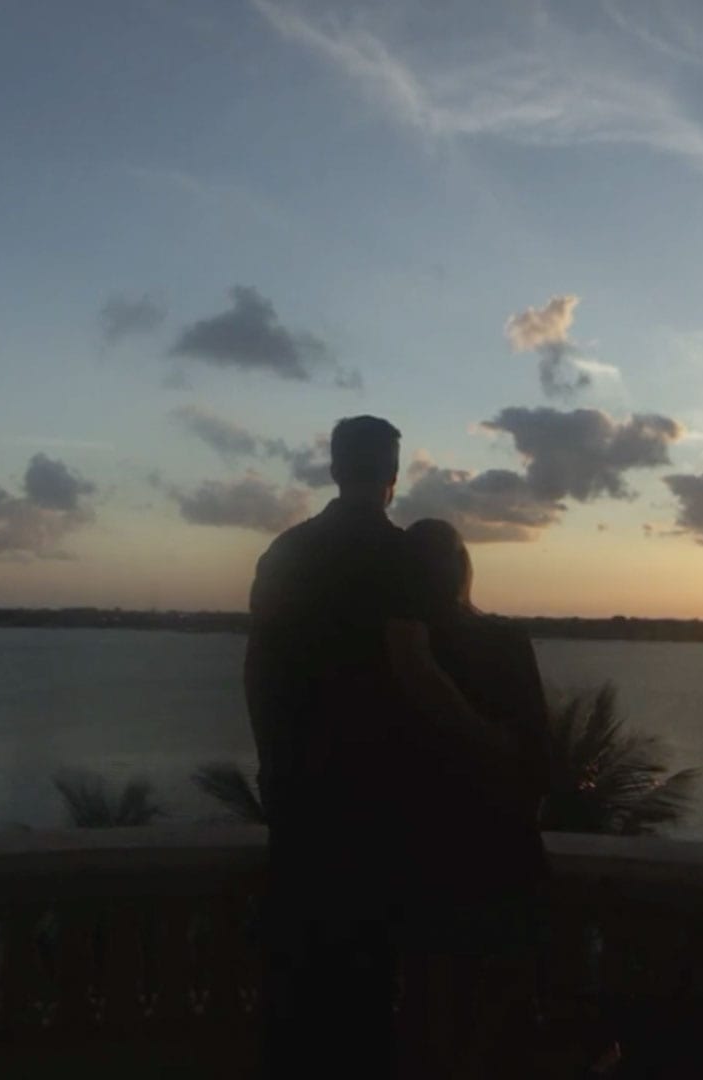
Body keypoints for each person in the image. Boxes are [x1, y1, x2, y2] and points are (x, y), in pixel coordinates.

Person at [245, 416, 513, 1080]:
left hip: (299, 798)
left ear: (335, 469)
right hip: (377, 805)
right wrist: (494, 745)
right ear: (393, 477)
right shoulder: (403, 560)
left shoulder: (286, 553)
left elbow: (257, 671)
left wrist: (273, 764)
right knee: (369, 996)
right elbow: (417, 670)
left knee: (298, 990)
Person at [400, 518, 553, 1080]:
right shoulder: (504, 642)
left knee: (431, 995)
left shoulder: (392, 655)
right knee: (495, 994)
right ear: (463, 569)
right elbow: (540, 757)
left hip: (420, 850)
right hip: (498, 848)